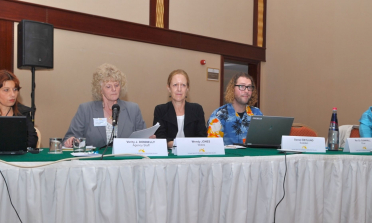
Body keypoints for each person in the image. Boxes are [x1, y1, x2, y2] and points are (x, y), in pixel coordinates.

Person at [63, 63, 146, 148]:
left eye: (116, 85)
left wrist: (148, 139)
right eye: (108, 86)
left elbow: (142, 138)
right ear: (100, 90)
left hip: (126, 159)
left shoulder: (133, 109)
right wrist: (71, 141)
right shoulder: (86, 109)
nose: (114, 89)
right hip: (94, 160)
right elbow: (69, 138)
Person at [153, 69, 207, 148]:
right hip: (169, 156)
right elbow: (160, 138)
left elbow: (202, 137)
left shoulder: (197, 109)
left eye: (183, 85)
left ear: (187, 88)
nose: (179, 89)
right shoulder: (160, 110)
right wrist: (177, 145)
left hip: (193, 155)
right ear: (168, 88)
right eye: (175, 85)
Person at [207, 72, 262, 145]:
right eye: (242, 86)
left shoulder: (256, 113)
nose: (246, 91)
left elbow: (262, 141)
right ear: (232, 89)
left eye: (249, 87)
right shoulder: (219, 115)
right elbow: (212, 146)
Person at [0, 70, 38, 148]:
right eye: (6, 90)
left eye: (15, 89)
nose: (13, 94)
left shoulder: (23, 112)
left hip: (17, 157)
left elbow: (32, 141)